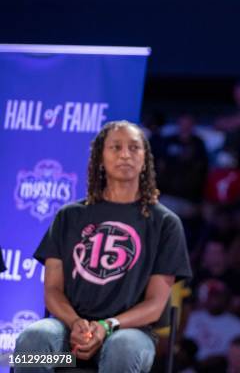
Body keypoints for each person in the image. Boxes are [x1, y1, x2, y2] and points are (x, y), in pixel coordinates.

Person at [14, 120, 192, 373]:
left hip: (130, 334)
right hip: (70, 344)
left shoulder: (165, 223)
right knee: (32, 343)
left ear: (145, 160)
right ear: (100, 158)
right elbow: (52, 289)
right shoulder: (69, 216)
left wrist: (107, 326)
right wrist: (75, 323)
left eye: (134, 148)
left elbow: (155, 305)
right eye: (115, 147)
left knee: (122, 350)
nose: (125, 155)